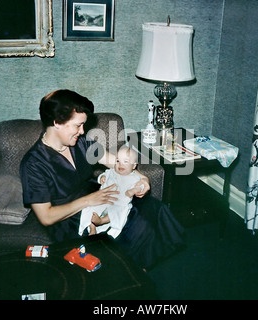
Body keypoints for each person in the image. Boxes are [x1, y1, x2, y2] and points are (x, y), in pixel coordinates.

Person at [20, 89, 185, 269]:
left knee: (152, 207)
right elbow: (46, 217)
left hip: (96, 196)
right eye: (78, 125)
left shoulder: (80, 143)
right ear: (57, 122)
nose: (82, 131)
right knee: (134, 223)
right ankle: (126, 270)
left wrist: (142, 178)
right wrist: (88, 201)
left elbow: (115, 162)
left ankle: (137, 267)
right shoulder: (33, 164)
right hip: (68, 217)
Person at [78, 146, 143, 238]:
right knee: (89, 208)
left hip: (119, 203)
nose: (120, 164)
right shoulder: (111, 172)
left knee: (117, 212)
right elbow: (103, 174)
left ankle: (102, 221)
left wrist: (134, 190)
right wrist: (102, 178)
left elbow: (141, 186)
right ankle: (92, 228)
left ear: (134, 165)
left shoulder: (134, 178)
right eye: (117, 161)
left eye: (125, 162)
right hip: (103, 199)